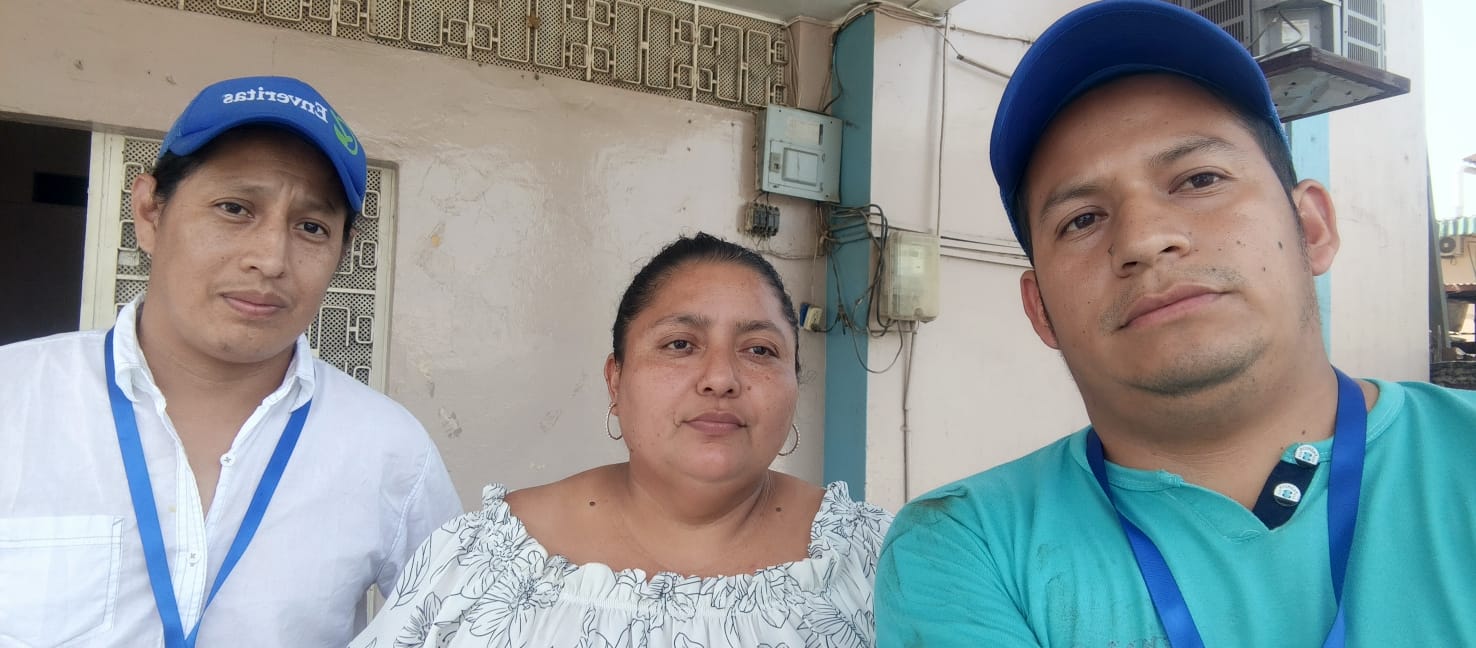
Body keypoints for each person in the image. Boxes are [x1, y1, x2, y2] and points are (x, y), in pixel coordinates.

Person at [874, 1, 1476, 646]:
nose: (1144, 238)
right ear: (1040, 308)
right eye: (1082, 219)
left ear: (1310, 228)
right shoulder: (965, 546)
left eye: (1198, 179)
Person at [0, 76, 461, 647]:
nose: (270, 259)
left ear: (341, 253)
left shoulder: (392, 452)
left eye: (311, 227)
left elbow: (457, 629)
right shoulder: (13, 400)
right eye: (235, 208)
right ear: (149, 212)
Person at [355, 232, 892, 647]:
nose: (721, 378)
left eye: (759, 350)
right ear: (616, 381)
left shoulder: (882, 564)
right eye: (680, 344)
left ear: (794, 385)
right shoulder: (483, 562)